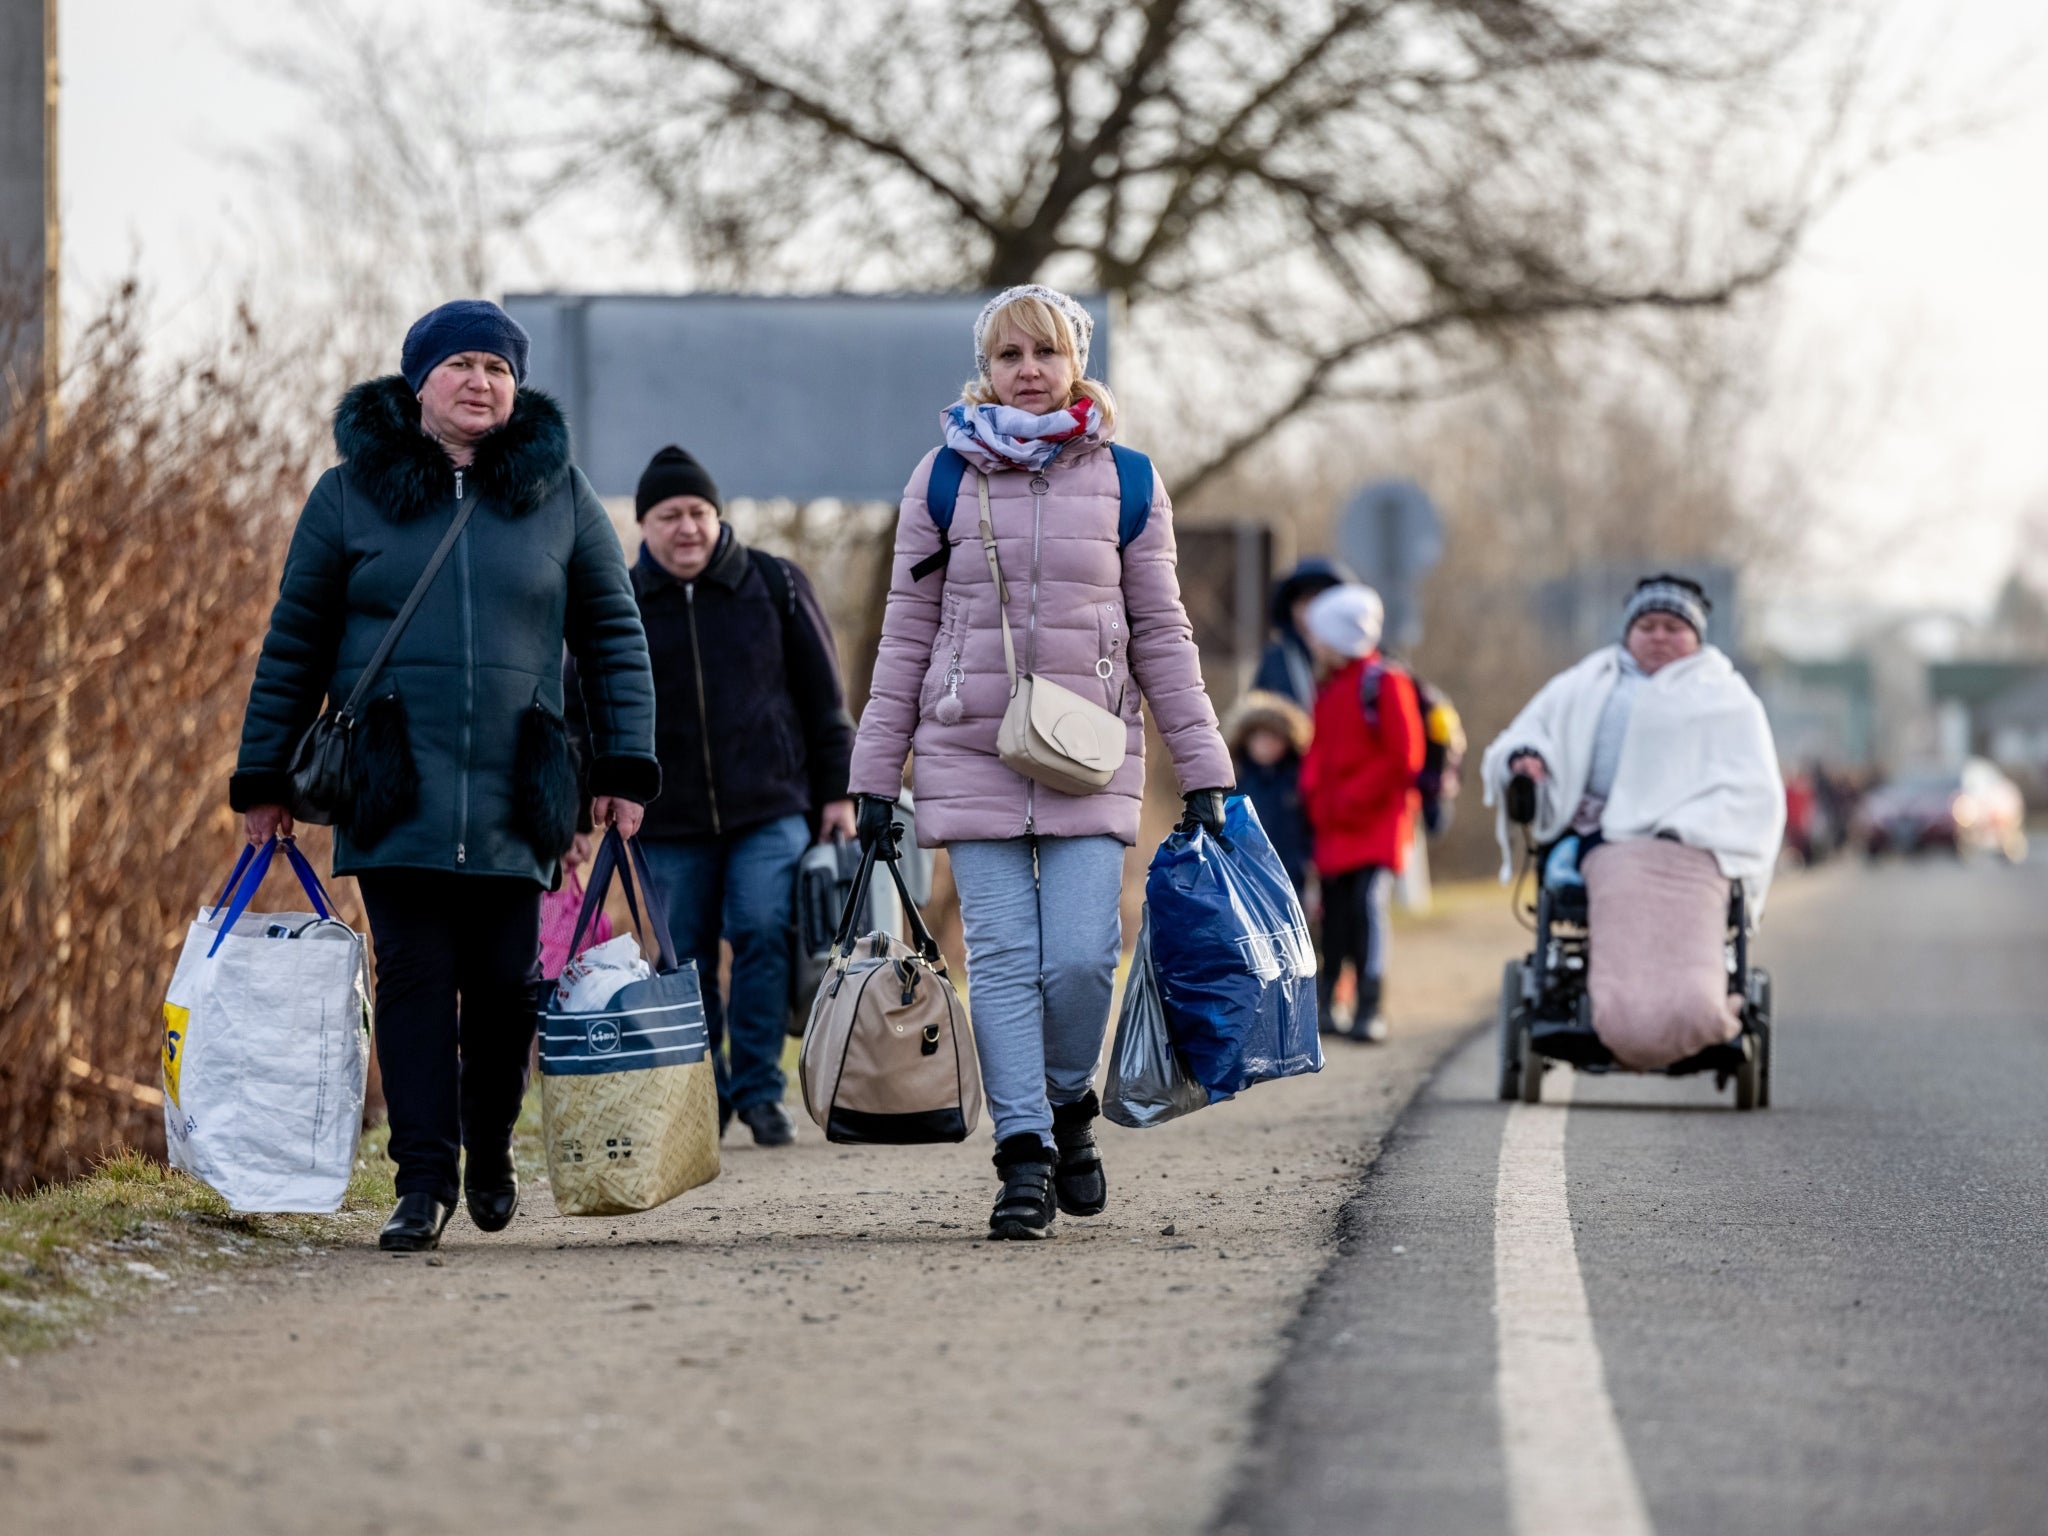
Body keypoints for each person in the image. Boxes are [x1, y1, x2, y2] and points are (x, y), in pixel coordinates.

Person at [231, 299, 659, 1252]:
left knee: (506, 986)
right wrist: (264, 775)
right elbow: (292, 643)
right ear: (417, 381)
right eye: (461, 364)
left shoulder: (561, 495)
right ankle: (421, 1180)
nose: (480, 382)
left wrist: (623, 765)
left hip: (518, 789)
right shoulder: (349, 495)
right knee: (416, 979)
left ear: (517, 387)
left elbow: (615, 636)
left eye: (498, 368)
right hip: (393, 785)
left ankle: (493, 1147)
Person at [848, 283, 1232, 1241]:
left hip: (1091, 753)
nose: (1028, 372)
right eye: (1010, 356)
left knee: (1080, 958)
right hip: (965, 745)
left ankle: (1069, 1107)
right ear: (986, 369)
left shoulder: (1129, 481)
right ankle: (1022, 1155)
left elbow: (1163, 633)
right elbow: (904, 634)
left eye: (1045, 355)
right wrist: (872, 773)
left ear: (1077, 366)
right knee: (1006, 959)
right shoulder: (941, 477)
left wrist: (1205, 765)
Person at [569, 444, 856, 1148]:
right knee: (684, 955)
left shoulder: (774, 584)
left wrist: (838, 794)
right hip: (664, 819)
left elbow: (826, 701)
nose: (687, 527)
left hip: (772, 805)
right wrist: (582, 805)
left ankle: (760, 1090)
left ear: (718, 516)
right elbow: (581, 712)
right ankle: (707, 1088)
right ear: (644, 526)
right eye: (670, 515)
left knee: (762, 931)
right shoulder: (618, 601)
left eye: (698, 512)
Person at [1479, 574, 1784, 1068]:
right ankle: (1624, 1020)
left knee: (1684, 894)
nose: (1660, 636)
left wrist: (1692, 826)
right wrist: (1528, 760)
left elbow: (1756, 786)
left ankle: (1695, 1014)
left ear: (1696, 636)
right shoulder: (1586, 683)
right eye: (1647, 626)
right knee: (1619, 881)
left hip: (1697, 841)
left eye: (1673, 626)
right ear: (1628, 632)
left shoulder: (1727, 697)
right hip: (1601, 834)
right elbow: (1528, 731)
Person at [1297, 584, 1425, 1044]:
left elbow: (1406, 757)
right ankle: (1330, 1002)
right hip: (1334, 829)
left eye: (1320, 636)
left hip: (1376, 825)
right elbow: (1319, 753)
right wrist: (1312, 795)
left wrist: (1353, 797)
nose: (1314, 644)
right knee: (1335, 915)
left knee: (1368, 907)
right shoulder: (1328, 688)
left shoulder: (1385, 682)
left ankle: (1370, 1005)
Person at [1223, 690, 1315, 898]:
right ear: (1246, 739)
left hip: (1290, 879)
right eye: (1260, 736)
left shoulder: (1297, 780)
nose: (1267, 744)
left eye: (1275, 737)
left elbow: (1310, 828)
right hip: (1241, 879)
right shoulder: (1232, 781)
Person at [1253, 557, 1354, 709]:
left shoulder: (1362, 660)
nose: (1315, 612)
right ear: (1290, 610)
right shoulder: (1275, 660)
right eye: (1305, 602)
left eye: (1321, 600)